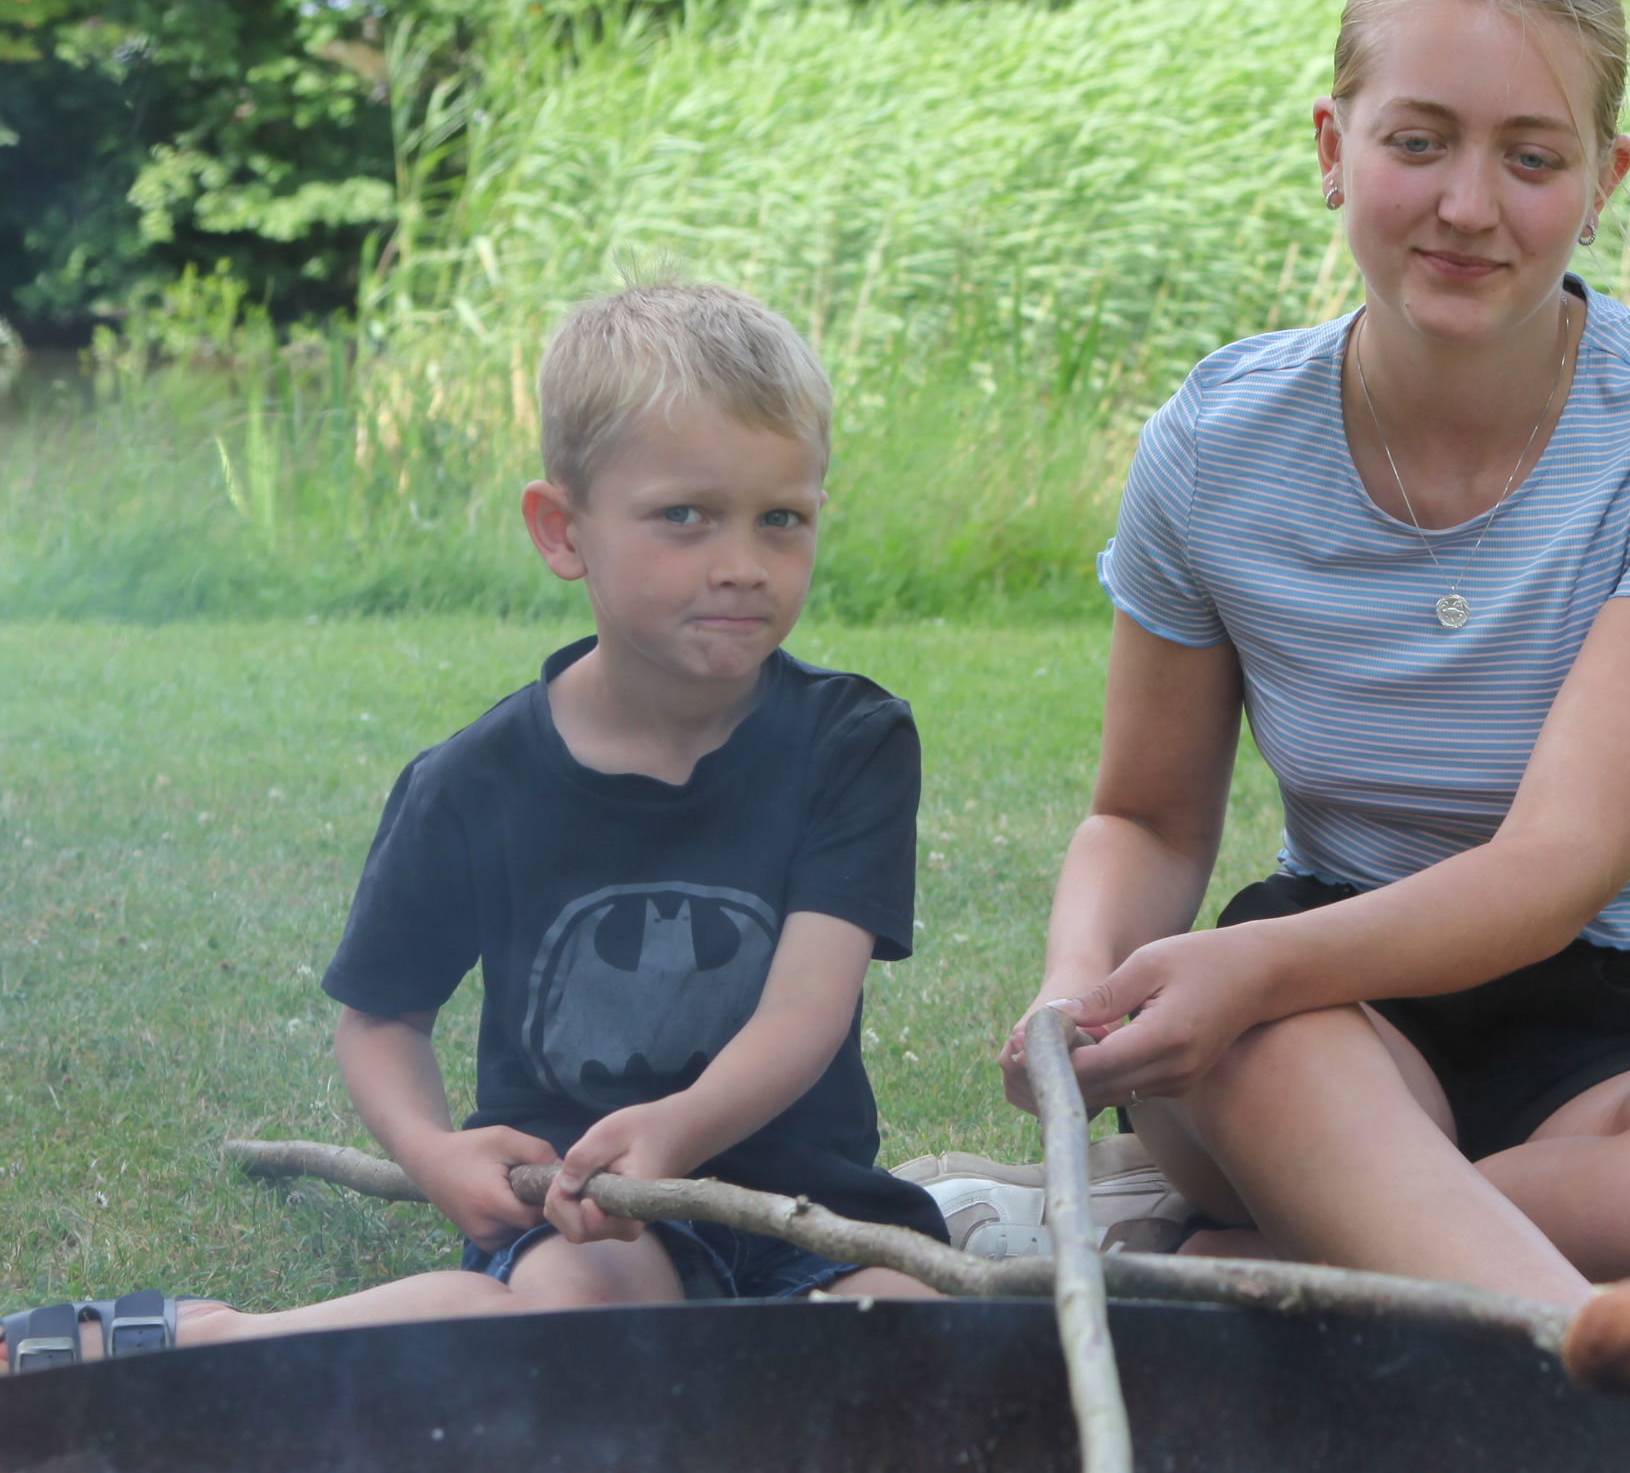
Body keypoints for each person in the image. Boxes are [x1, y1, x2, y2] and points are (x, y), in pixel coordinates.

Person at [990, 0, 1630, 1311]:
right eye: (1419, 142)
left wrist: (1248, 969)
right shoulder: (1214, 442)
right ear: (1336, 149)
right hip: (1318, 1002)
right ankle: (1582, 1336)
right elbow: (1146, 817)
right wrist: (1075, 979)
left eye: (1533, 158)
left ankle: (1257, 1265)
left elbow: (1558, 865)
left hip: (1623, 1004)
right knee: (1256, 1044)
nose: (1471, 204)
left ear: (1605, 181)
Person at [4, 282, 942, 1372]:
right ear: (563, 529)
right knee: (570, 1332)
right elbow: (382, 1017)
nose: (741, 560)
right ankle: (213, 1340)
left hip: (803, 1209)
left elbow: (804, 1010)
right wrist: (433, 1150)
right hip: (583, 1220)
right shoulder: (475, 781)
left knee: (907, 1342)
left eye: (781, 517)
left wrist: (678, 1129)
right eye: (685, 514)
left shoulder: (850, 739)